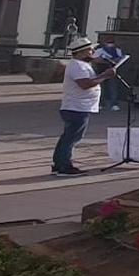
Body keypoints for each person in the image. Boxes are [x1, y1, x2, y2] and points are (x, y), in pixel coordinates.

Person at [53, 37, 113, 175]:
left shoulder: (81, 64)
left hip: (78, 106)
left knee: (67, 137)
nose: (93, 52)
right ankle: (64, 166)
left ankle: (59, 164)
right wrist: (105, 76)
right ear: (83, 52)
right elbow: (85, 84)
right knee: (72, 138)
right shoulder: (77, 66)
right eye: (90, 50)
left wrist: (99, 63)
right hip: (77, 107)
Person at [93, 31, 129, 110]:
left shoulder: (117, 50)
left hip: (112, 71)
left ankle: (114, 104)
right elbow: (95, 60)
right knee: (101, 88)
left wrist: (116, 60)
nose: (110, 44)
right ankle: (100, 104)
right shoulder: (100, 50)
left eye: (111, 42)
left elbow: (120, 58)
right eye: (108, 42)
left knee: (112, 88)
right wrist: (105, 61)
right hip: (101, 71)